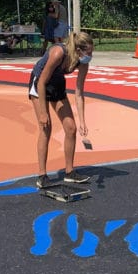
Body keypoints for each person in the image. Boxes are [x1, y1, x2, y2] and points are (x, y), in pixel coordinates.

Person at [28, 31, 94, 188]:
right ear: (78, 50)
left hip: (57, 84)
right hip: (40, 85)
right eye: (89, 52)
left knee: (71, 128)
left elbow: (79, 93)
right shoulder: (58, 52)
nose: (91, 55)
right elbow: (42, 82)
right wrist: (43, 113)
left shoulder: (83, 62)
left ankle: (70, 172)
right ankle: (42, 175)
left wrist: (82, 121)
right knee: (46, 128)